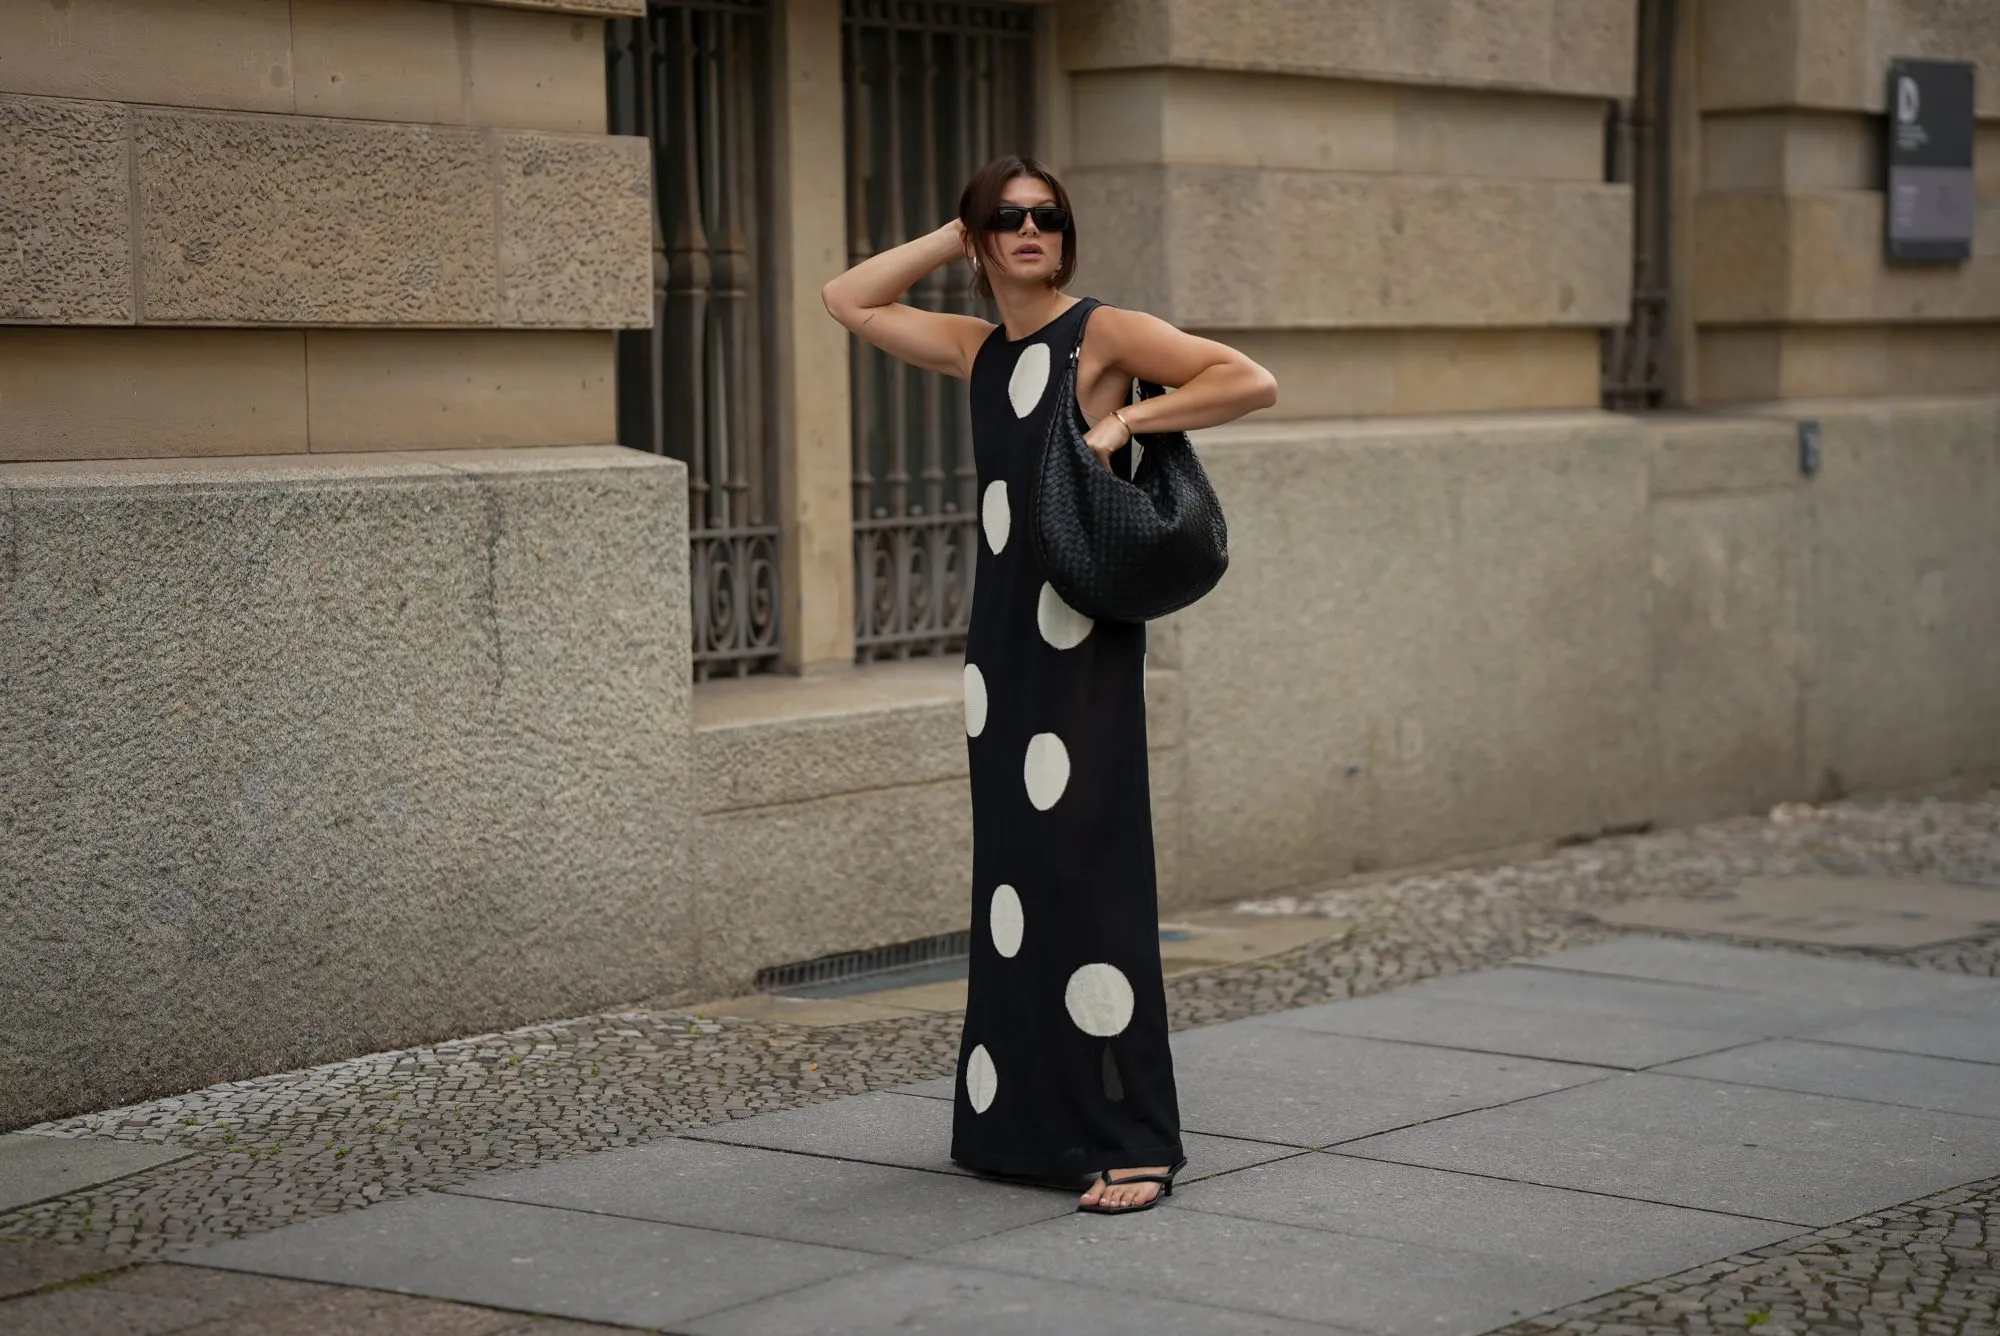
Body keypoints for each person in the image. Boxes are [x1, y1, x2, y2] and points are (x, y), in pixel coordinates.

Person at [821, 156, 1277, 1213]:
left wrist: (1123, 425)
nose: (1032, 231)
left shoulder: (1101, 333)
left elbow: (1247, 380)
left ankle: (1135, 1140)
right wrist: (954, 232)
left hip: (1080, 641)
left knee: (1088, 877)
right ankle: (1021, 1126)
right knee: (1016, 887)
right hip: (1001, 652)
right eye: (1008, 219)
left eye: (1048, 217)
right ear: (980, 237)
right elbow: (848, 298)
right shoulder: (979, 348)